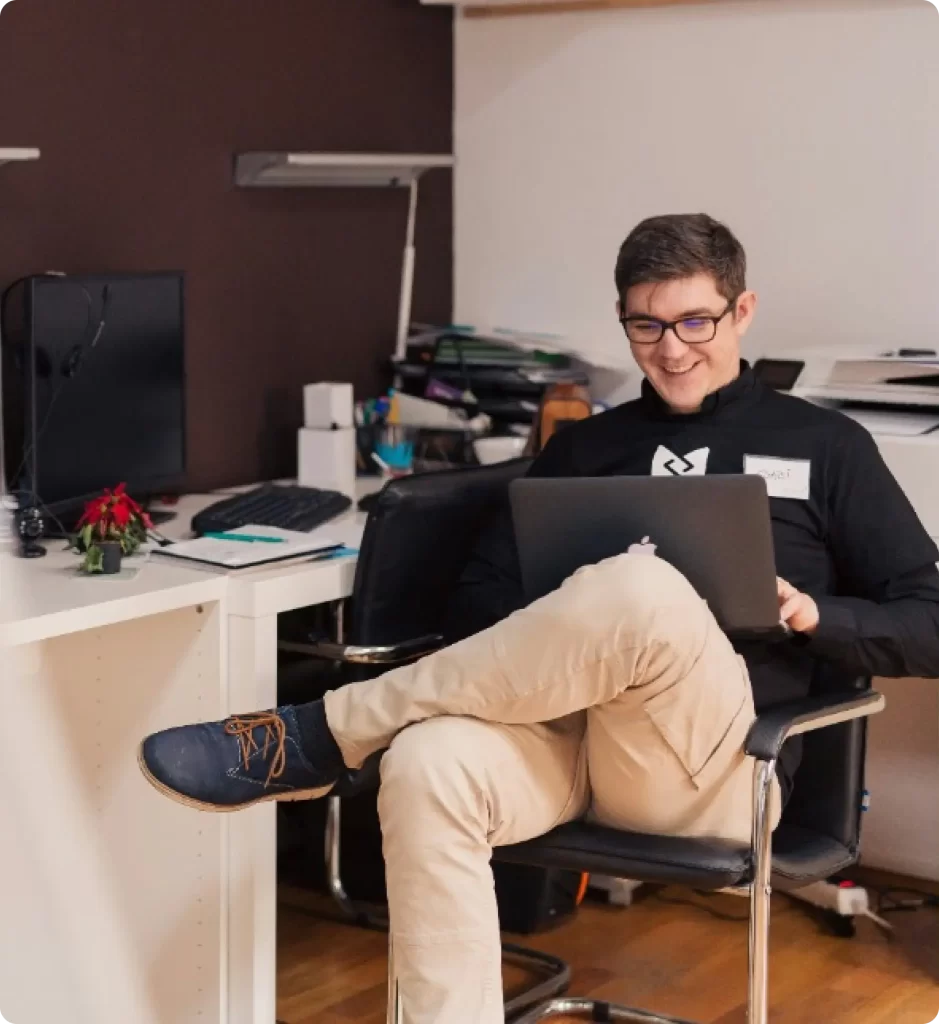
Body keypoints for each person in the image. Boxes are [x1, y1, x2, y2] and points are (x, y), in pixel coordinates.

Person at [139, 213, 939, 1024]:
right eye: (645, 325)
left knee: (641, 588)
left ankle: (320, 734)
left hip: (715, 767)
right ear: (623, 319)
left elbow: (930, 623)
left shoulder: (826, 446)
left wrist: (811, 615)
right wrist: (564, 614)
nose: (670, 348)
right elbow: (478, 605)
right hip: (560, 741)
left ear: (742, 311)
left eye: (695, 320)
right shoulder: (586, 447)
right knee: (426, 760)